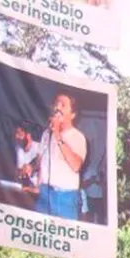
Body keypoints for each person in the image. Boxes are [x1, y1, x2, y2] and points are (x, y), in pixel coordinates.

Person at [16, 91, 89, 220]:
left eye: (63, 105)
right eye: (56, 104)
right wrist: (31, 167)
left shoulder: (78, 137)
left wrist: (57, 135)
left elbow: (76, 166)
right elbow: (40, 160)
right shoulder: (46, 134)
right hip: (45, 194)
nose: (57, 108)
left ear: (73, 114)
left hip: (66, 198)